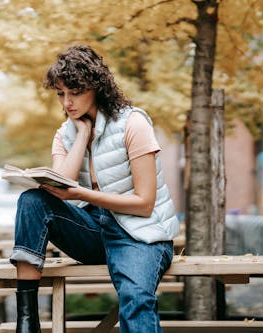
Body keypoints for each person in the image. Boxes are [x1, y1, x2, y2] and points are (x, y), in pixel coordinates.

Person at [10, 45, 180, 333]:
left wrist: (81, 195)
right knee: (32, 200)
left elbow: (145, 203)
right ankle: (27, 322)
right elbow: (61, 181)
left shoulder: (133, 123)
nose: (67, 103)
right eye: (61, 94)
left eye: (75, 93)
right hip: (95, 232)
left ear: (97, 88)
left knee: (136, 298)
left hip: (140, 234)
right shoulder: (65, 133)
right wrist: (82, 135)